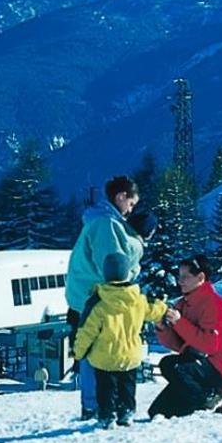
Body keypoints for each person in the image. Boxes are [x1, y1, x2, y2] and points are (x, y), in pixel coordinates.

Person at [66, 175, 148, 420]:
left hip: (85, 295)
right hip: (96, 298)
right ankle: (95, 407)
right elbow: (113, 267)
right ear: (121, 196)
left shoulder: (102, 219)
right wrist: (136, 267)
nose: (130, 210)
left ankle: (94, 405)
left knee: (95, 349)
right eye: (131, 204)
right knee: (99, 351)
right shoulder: (106, 225)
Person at [71, 250, 166, 427]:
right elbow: (154, 309)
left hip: (104, 357)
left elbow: (86, 331)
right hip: (130, 355)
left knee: (105, 388)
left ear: (105, 273)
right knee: (127, 387)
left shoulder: (97, 302)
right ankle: (126, 413)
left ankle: (107, 416)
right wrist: (166, 309)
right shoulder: (137, 299)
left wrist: (79, 353)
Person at [148, 254, 222, 419]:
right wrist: (162, 328)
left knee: (171, 364)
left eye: (185, 276)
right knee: (157, 413)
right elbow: (179, 345)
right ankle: (205, 400)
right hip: (195, 365)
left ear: (201, 277)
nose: (180, 280)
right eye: (179, 276)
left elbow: (209, 345)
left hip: (218, 367)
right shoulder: (184, 303)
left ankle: (211, 398)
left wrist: (179, 322)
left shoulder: (213, 304)